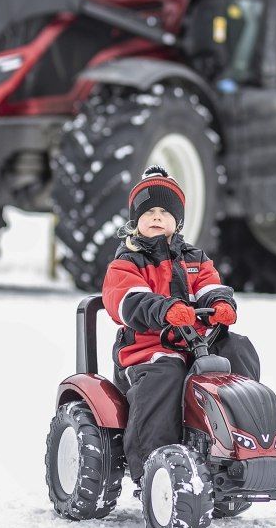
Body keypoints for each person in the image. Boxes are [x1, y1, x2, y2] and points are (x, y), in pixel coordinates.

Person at [101, 165, 260, 484]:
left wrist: (220, 304)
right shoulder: (128, 262)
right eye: (149, 212)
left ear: (178, 221)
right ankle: (152, 463)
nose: (157, 216)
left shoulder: (195, 259)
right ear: (136, 221)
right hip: (148, 350)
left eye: (164, 211)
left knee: (237, 349)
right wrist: (166, 309)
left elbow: (210, 285)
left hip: (197, 344)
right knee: (168, 372)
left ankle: (245, 442)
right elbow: (127, 300)